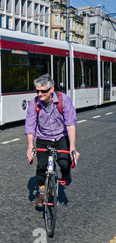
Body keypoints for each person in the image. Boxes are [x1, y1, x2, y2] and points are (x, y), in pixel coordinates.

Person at [25, 74, 80, 208]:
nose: (40, 94)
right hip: (43, 137)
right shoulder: (34, 103)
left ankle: (66, 173)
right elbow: (30, 126)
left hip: (61, 136)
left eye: (43, 91)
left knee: (64, 162)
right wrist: (30, 145)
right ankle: (42, 193)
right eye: (37, 90)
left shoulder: (64, 100)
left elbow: (70, 124)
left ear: (51, 89)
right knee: (41, 167)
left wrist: (72, 148)